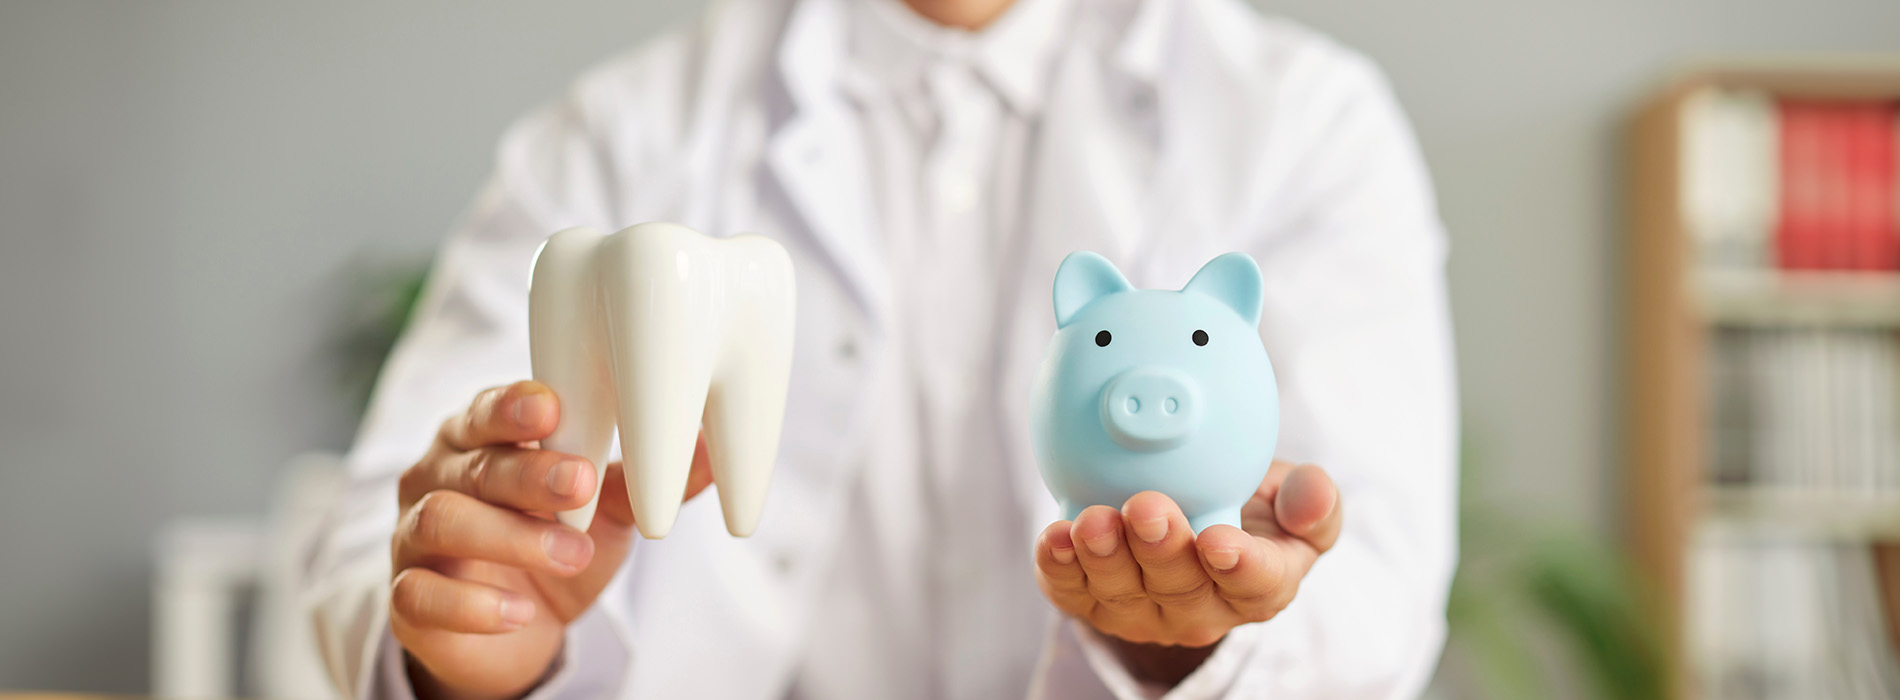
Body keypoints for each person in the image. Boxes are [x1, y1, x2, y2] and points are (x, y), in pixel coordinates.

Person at [300, 0, 1459, 696]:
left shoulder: (1301, 124)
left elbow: (1375, 597)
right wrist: (475, 643)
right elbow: (378, 540)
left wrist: (1181, 648)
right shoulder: (619, 135)